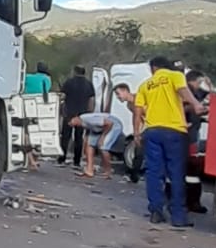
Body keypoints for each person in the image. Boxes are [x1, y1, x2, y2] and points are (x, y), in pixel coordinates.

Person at [133, 56, 202, 228]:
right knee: (176, 174)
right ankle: (178, 217)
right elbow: (183, 91)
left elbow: (137, 111)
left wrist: (136, 133)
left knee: (153, 173)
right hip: (174, 131)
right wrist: (196, 104)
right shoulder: (175, 76)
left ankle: (156, 212)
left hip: (152, 131)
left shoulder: (145, 85)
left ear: (153, 68)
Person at [59, 64, 95, 167]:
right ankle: (77, 161)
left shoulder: (69, 82)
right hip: (82, 114)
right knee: (79, 138)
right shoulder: (89, 84)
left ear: (74, 71)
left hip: (69, 113)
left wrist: (62, 109)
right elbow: (91, 100)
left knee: (65, 137)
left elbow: (63, 96)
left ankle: (62, 158)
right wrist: (90, 112)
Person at [71, 106, 123, 177]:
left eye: (72, 122)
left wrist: (102, 137)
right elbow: (88, 133)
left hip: (113, 124)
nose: (72, 124)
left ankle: (108, 171)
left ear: (76, 118)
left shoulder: (87, 119)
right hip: (100, 127)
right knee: (89, 145)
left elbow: (109, 123)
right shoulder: (81, 123)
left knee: (103, 147)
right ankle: (89, 170)